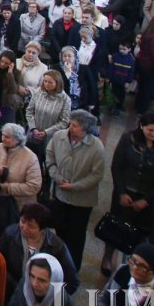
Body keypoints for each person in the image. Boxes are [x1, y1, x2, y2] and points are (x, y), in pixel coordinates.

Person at [102, 110, 154, 276]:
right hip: (125, 192)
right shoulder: (128, 139)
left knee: (140, 232)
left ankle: (134, 263)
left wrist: (146, 200)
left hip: (148, 198)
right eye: (150, 130)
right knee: (115, 226)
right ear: (142, 127)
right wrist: (121, 192)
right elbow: (117, 166)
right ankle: (107, 257)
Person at [45, 108, 105, 267]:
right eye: (71, 124)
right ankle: (58, 262)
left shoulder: (96, 146)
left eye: (75, 125)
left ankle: (72, 267)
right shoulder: (59, 137)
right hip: (60, 194)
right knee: (60, 230)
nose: (70, 128)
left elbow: (96, 175)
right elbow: (50, 157)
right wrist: (56, 177)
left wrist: (74, 186)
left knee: (76, 236)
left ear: (85, 129)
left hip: (82, 201)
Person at [0, 202, 78, 297]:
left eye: (31, 226)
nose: (24, 227)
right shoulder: (9, 234)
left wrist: (50, 298)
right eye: (22, 221)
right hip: (12, 292)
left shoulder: (57, 246)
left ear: (42, 229)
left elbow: (72, 281)